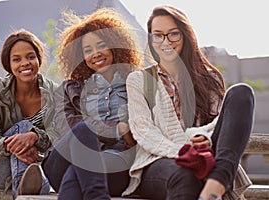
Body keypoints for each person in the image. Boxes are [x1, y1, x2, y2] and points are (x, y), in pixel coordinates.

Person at [122, 5, 255, 200]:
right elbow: (143, 132)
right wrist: (185, 150)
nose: (165, 41)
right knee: (184, 174)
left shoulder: (208, 79)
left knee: (241, 92)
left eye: (173, 34)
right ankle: (215, 183)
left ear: (185, 35)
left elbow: (219, 123)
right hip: (158, 162)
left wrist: (204, 137)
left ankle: (215, 186)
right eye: (158, 35)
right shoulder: (138, 80)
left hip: (207, 155)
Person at [41, 8, 142, 200]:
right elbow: (67, 128)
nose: (95, 54)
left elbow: (144, 124)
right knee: (82, 130)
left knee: (82, 168)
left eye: (100, 45)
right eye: (87, 50)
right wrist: (117, 130)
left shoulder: (135, 82)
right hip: (62, 161)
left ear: (114, 45)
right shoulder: (68, 90)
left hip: (115, 162)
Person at [0, 29, 57, 199]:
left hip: (38, 166)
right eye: (17, 59)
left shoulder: (54, 93)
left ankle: (27, 187)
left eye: (30, 57)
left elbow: (61, 134)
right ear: (8, 64)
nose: (25, 63)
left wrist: (35, 137)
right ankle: (25, 189)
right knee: (23, 128)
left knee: (28, 134)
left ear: (38, 59)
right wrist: (15, 145)